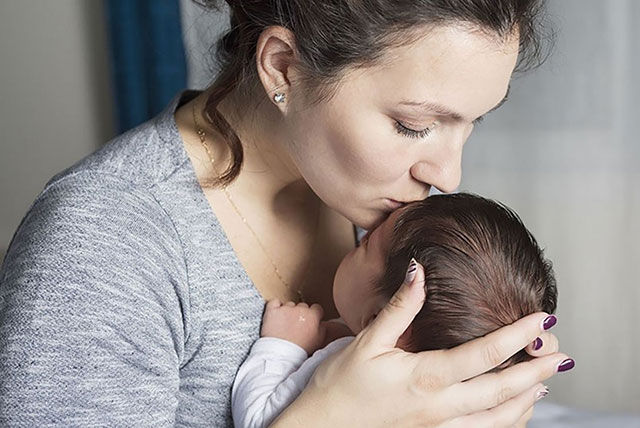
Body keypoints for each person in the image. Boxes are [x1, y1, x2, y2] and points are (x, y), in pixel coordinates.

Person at [0, 0, 573, 426]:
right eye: (413, 125)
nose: (448, 176)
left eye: (473, 121)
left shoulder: (384, 210)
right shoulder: (106, 243)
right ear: (283, 68)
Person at [231, 193, 566, 428]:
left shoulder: (349, 372)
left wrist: (283, 346)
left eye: (365, 245)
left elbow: (260, 418)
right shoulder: (462, 398)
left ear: (381, 320)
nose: (361, 234)